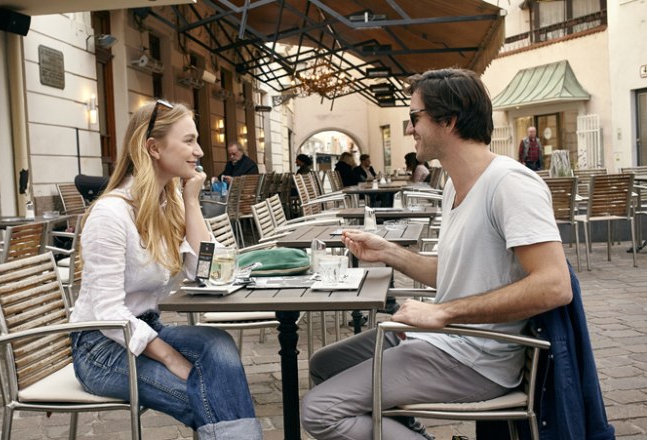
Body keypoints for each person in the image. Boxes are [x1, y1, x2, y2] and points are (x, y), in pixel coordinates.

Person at [301, 68, 572, 440]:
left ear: (449, 120)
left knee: (320, 412)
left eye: (415, 117)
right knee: (325, 364)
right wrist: (389, 252)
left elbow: (555, 285)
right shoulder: (455, 187)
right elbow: (458, 272)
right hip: (443, 339)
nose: (410, 128)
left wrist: (443, 312)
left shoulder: (510, 183)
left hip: (475, 358)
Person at [70, 100, 262, 439]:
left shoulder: (166, 204)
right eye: (189, 141)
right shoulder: (110, 215)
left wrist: (191, 202)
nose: (199, 151)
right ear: (154, 148)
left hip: (146, 329)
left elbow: (208, 271)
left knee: (218, 344)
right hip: (101, 347)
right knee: (210, 396)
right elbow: (109, 314)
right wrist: (170, 358)